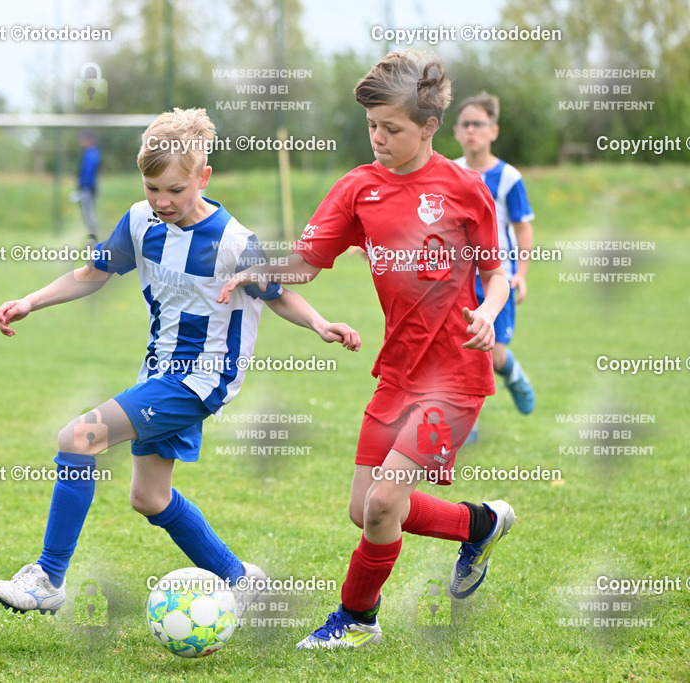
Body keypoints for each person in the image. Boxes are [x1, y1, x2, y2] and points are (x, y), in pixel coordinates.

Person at [0, 108, 361, 620]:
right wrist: (31, 300)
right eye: (152, 188)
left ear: (202, 178)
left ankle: (49, 578)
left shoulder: (233, 241)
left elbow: (277, 294)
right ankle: (239, 580)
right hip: (157, 373)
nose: (162, 201)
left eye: (175, 190)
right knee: (149, 496)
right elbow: (92, 274)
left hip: (202, 379)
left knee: (78, 438)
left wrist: (321, 324)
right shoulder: (141, 222)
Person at [219, 51, 515, 648]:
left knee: (384, 503)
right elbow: (309, 262)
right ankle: (478, 523)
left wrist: (486, 312)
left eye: (392, 129)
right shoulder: (358, 188)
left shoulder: (464, 189)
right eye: (372, 126)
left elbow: (498, 271)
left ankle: (356, 621)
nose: (378, 138)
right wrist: (259, 270)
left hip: (456, 376)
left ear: (430, 127)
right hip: (397, 373)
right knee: (366, 511)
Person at [452, 92, 536, 444]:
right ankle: (467, 422)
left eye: (479, 124)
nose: (471, 131)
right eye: (465, 124)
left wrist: (522, 274)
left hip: (496, 279)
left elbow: (522, 228)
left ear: (494, 131)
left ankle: (512, 372)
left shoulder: (509, 178)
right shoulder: (451, 172)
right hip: (459, 280)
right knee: (461, 350)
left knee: (493, 353)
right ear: (456, 131)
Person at [76, 132, 101, 243]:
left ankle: (93, 237)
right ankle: (91, 235)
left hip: (88, 188)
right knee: (87, 213)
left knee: (89, 213)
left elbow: (88, 173)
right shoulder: (89, 153)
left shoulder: (92, 154)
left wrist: (83, 186)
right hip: (88, 187)